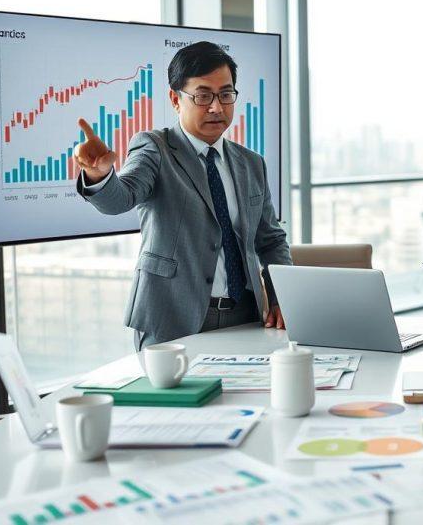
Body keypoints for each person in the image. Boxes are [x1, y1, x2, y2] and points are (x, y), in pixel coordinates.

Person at [74, 41, 292, 350]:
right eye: (203, 96)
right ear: (176, 100)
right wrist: (99, 176)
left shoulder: (251, 163)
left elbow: (270, 240)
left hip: (247, 317)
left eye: (226, 94)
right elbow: (120, 198)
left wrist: (282, 295)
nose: (216, 107)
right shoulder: (154, 148)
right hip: (173, 318)